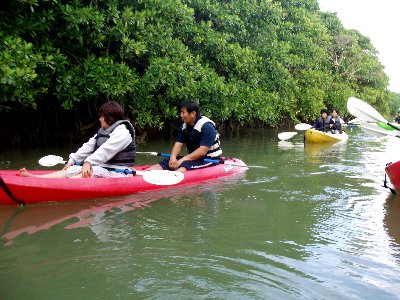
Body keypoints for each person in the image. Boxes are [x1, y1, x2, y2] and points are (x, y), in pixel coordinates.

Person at [19, 101, 136, 178]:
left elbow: (106, 150)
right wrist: (73, 160)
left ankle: (59, 187)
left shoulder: (123, 132)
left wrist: (88, 162)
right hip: (105, 168)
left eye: (102, 116)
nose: (100, 119)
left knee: (87, 172)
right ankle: (37, 178)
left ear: (110, 118)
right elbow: (89, 146)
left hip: (119, 172)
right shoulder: (104, 131)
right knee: (74, 168)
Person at [148, 100, 222, 173]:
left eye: (183, 112)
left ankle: (172, 177)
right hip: (192, 158)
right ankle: (144, 174)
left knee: (184, 165)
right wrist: (173, 158)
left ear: (193, 114)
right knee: (167, 161)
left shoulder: (207, 127)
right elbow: (178, 144)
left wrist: (183, 160)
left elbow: (202, 151)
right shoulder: (184, 127)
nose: (181, 115)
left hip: (209, 159)